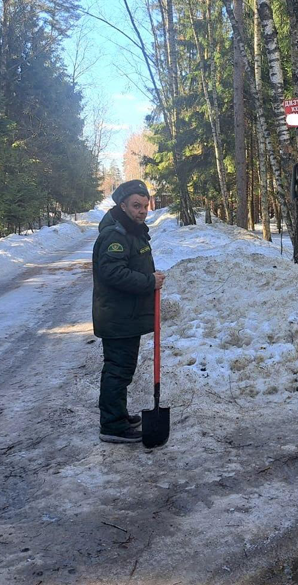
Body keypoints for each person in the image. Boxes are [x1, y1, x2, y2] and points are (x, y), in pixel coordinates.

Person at [92, 180, 166, 443]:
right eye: (136, 206)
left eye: (145, 206)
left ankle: (118, 416)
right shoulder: (115, 235)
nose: (142, 211)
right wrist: (149, 282)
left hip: (126, 315)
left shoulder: (132, 231)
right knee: (118, 369)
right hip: (117, 316)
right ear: (122, 205)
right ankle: (112, 426)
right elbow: (112, 272)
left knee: (123, 368)